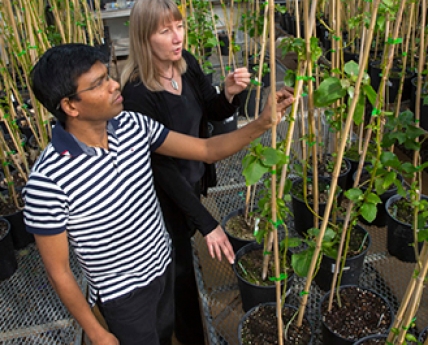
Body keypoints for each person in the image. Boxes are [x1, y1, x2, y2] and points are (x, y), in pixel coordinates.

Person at [23, 43, 293, 345]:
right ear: (71, 106)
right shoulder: (47, 182)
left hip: (163, 265)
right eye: (99, 83)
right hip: (122, 296)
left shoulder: (132, 126)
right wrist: (97, 333)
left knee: (165, 335)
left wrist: (262, 123)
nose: (114, 84)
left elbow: (206, 149)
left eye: (108, 75)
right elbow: (58, 271)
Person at [120, 0, 249, 344]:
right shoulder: (136, 94)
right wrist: (206, 222)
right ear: (143, 38)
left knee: (181, 257)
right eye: (165, 31)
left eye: (179, 27)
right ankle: (187, 335)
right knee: (176, 269)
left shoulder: (185, 63)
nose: (178, 37)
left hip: (190, 183)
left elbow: (211, 110)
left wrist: (230, 93)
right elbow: (161, 169)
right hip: (158, 199)